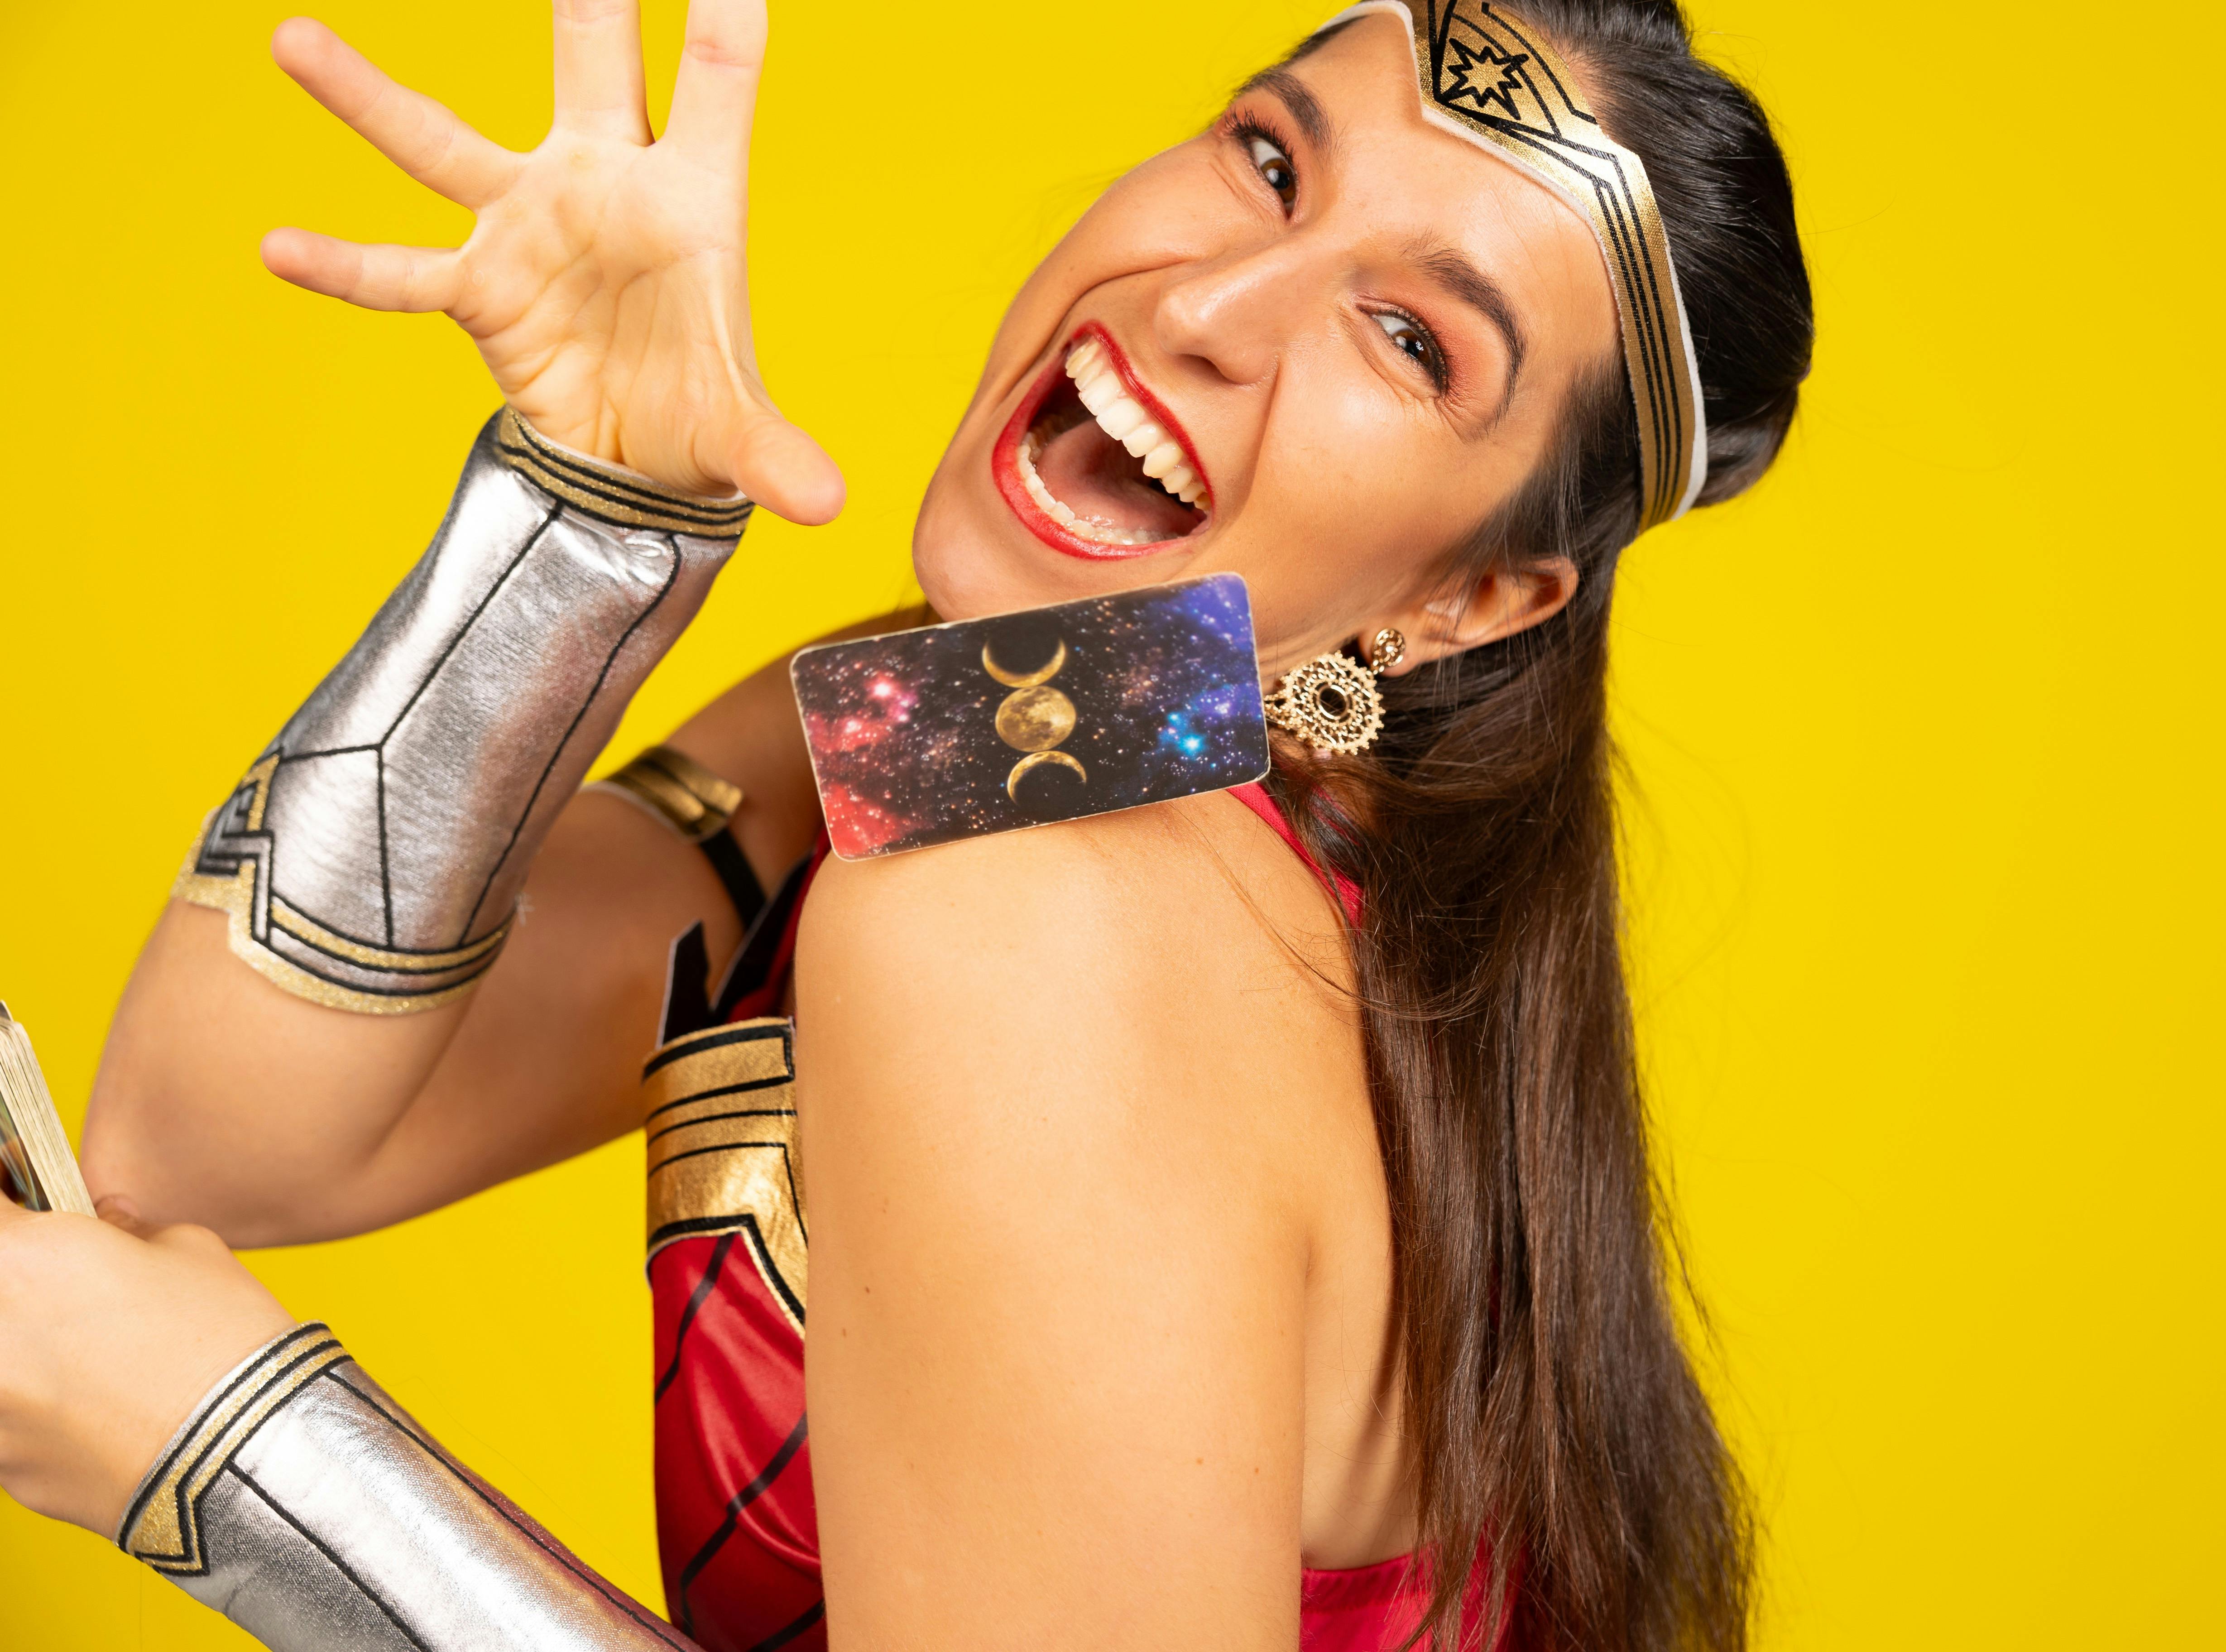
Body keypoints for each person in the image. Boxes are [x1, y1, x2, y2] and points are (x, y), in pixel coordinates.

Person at [0, 0, 1811, 1646]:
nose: (1205, 307)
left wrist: (242, 1468)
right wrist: (599, 506)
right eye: (1270, 160)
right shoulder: (1045, 740)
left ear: (1476, 599)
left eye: (1411, 339)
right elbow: (214, 1139)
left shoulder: (1043, 916)